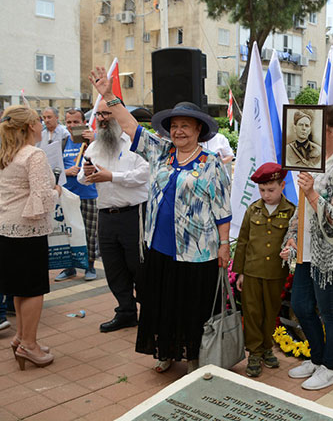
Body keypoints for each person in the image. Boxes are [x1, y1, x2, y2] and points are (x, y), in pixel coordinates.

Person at [89, 66, 231, 374]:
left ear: (198, 131)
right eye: (175, 126)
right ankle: (165, 351)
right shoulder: (160, 152)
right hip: (159, 245)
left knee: (191, 306)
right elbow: (128, 126)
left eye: (186, 126)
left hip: (197, 251)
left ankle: (194, 354)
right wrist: (109, 96)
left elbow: (222, 209)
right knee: (161, 303)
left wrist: (224, 245)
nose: (179, 131)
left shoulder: (211, 165)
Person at [280, 104, 333, 390]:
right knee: (301, 306)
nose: (312, 132)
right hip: (307, 249)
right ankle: (317, 358)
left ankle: (331, 366)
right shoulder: (318, 163)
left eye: (320, 127)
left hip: (331, 253)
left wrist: (312, 192)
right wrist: (292, 236)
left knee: (330, 312)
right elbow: (302, 209)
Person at [78, 99, 149, 332]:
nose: (102, 119)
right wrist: (88, 173)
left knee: (139, 266)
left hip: (133, 213)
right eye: (99, 115)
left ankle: (149, 311)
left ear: (119, 114)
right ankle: (126, 311)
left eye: (107, 114)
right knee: (113, 267)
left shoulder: (136, 143)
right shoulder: (96, 146)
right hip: (105, 214)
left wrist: (111, 176)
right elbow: (81, 175)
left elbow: (144, 175)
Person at [0, 105, 61, 370]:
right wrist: (57, 191)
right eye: (38, 120)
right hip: (28, 229)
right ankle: (29, 345)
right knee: (34, 289)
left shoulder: (5, 153)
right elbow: (41, 198)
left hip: (6, 227)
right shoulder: (33, 154)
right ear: (28, 127)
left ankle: (21, 337)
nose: (41, 124)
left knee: (19, 287)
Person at [233, 162, 295, 377]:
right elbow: (242, 242)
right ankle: (254, 353)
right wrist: (239, 272)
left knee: (270, 312)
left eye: (271, 190)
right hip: (251, 272)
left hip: (275, 273)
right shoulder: (253, 210)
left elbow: (294, 240)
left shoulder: (291, 212)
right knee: (252, 313)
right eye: (262, 190)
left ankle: (267, 347)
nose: (266, 195)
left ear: (282, 185)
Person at [54, 108, 99, 281]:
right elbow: (55, 169)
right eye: (69, 122)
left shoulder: (92, 143)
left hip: (88, 193)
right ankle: (69, 267)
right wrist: (67, 171)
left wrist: (94, 141)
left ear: (83, 123)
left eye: (76, 122)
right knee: (67, 232)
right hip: (67, 196)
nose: (72, 126)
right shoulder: (63, 143)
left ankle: (90, 266)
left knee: (89, 232)